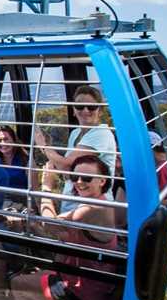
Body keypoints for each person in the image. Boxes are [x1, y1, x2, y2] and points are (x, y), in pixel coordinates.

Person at [4, 155, 120, 300]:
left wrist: (46, 186)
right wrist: (31, 225)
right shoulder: (96, 204)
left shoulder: (93, 208)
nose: (80, 183)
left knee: (18, 283)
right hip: (87, 278)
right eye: (75, 178)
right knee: (37, 274)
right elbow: (62, 236)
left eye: (86, 178)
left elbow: (50, 223)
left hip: (85, 289)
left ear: (103, 181)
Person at [34, 85, 117, 213]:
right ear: (73, 110)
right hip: (71, 202)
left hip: (91, 206)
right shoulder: (75, 133)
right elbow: (66, 171)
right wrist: (50, 150)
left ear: (100, 111)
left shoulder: (101, 134)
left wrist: (43, 146)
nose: (85, 110)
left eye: (91, 107)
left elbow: (66, 164)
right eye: (79, 106)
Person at [0, 125, 39, 204]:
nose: (3, 143)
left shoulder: (25, 158)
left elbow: (34, 189)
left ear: (14, 139)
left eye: (6, 139)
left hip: (20, 200)